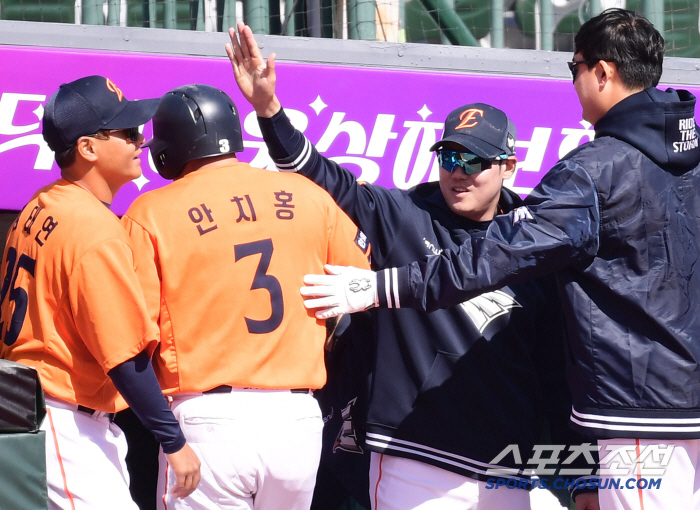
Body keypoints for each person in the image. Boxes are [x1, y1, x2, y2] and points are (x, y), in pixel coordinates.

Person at [299, 8, 700, 510]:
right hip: (678, 405)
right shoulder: (688, 160)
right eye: (450, 156)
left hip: (641, 407)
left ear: (603, 72)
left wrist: (377, 287)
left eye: (574, 66)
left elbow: (498, 255)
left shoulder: (595, 170)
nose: (460, 171)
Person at [228, 23, 596, 510]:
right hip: (413, 459)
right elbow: (320, 176)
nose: (458, 170)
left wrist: (580, 475)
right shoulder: (401, 215)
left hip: (508, 467)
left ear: (509, 165)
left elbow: (555, 371)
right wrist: (270, 111)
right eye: (449, 154)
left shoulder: (533, 242)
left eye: (475, 159)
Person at [120, 83, 371, 510]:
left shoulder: (150, 211)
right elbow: (361, 289)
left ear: (167, 147)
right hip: (297, 421)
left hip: (208, 419)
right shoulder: (310, 195)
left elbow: (130, 331)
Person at [0, 75, 200, 510]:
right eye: (127, 133)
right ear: (88, 148)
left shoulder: (43, 202)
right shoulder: (94, 230)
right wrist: (173, 440)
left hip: (38, 410)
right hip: (61, 420)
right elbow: (125, 357)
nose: (140, 141)